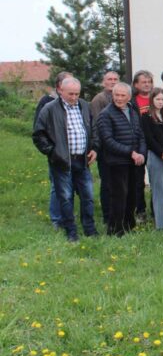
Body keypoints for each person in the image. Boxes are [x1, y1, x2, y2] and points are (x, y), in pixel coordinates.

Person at [33, 77, 99, 241]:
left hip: (82, 160)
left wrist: (94, 148)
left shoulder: (84, 105)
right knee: (65, 198)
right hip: (62, 161)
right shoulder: (49, 109)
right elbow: (38, 135)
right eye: (71, 94)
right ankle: (71, 232)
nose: (74, 97)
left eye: (77, 93)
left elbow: (93, 128)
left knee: (88, 197)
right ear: (60, 90)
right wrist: (53, 153)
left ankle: (90, 230)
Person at [97, 82, 146, 236]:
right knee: (119, 197)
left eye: (122, 95)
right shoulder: (106, 114)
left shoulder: (132, 111)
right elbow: (108, 141)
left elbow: (140, 135)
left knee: (132, 195)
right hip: (116, 162)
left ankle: (129, 225)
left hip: (134, 162)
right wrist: (131, 152)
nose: (118, 98)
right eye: (116, 95)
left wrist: (142, 153)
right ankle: (115, 230)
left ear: (129, 97)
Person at [35, 71, 73, 229]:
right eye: (67, 83)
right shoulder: (47, 102)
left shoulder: (75, 102)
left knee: (71, 186)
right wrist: (51, 151)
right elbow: (38, 131)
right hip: (57, 154)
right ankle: (57, 219)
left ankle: (68, 216)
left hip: (75, 153)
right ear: (59, 87)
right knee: (57, 186)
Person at [140, 87, 163, 231]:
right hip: (156, 156)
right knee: (158, 189)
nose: (160, 102)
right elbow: (149, 139)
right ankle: (161, 224)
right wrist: (162, 153)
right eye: (158, 99)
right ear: (152, 100)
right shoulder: (146, 117)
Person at [90, 70, 120, 225]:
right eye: (109, 79)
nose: (112, 81)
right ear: (104, 82)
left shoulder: (121, 97)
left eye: (115, 79)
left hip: (120, 148)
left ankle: (118, 213)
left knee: (118, 183)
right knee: (107, 183)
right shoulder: (99, 99)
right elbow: (96, 125)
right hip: (105, 149)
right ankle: (108, 216)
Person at [131, 70, 153, 222]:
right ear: (135, 84)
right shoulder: (131, 101)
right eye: (143, 81)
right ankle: (140, 211)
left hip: (156, 145)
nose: (147, 84)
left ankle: (157, 210)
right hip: (139, 145)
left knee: (157, 180)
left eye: (149, 81)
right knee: (138, 181)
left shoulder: (157, 98)